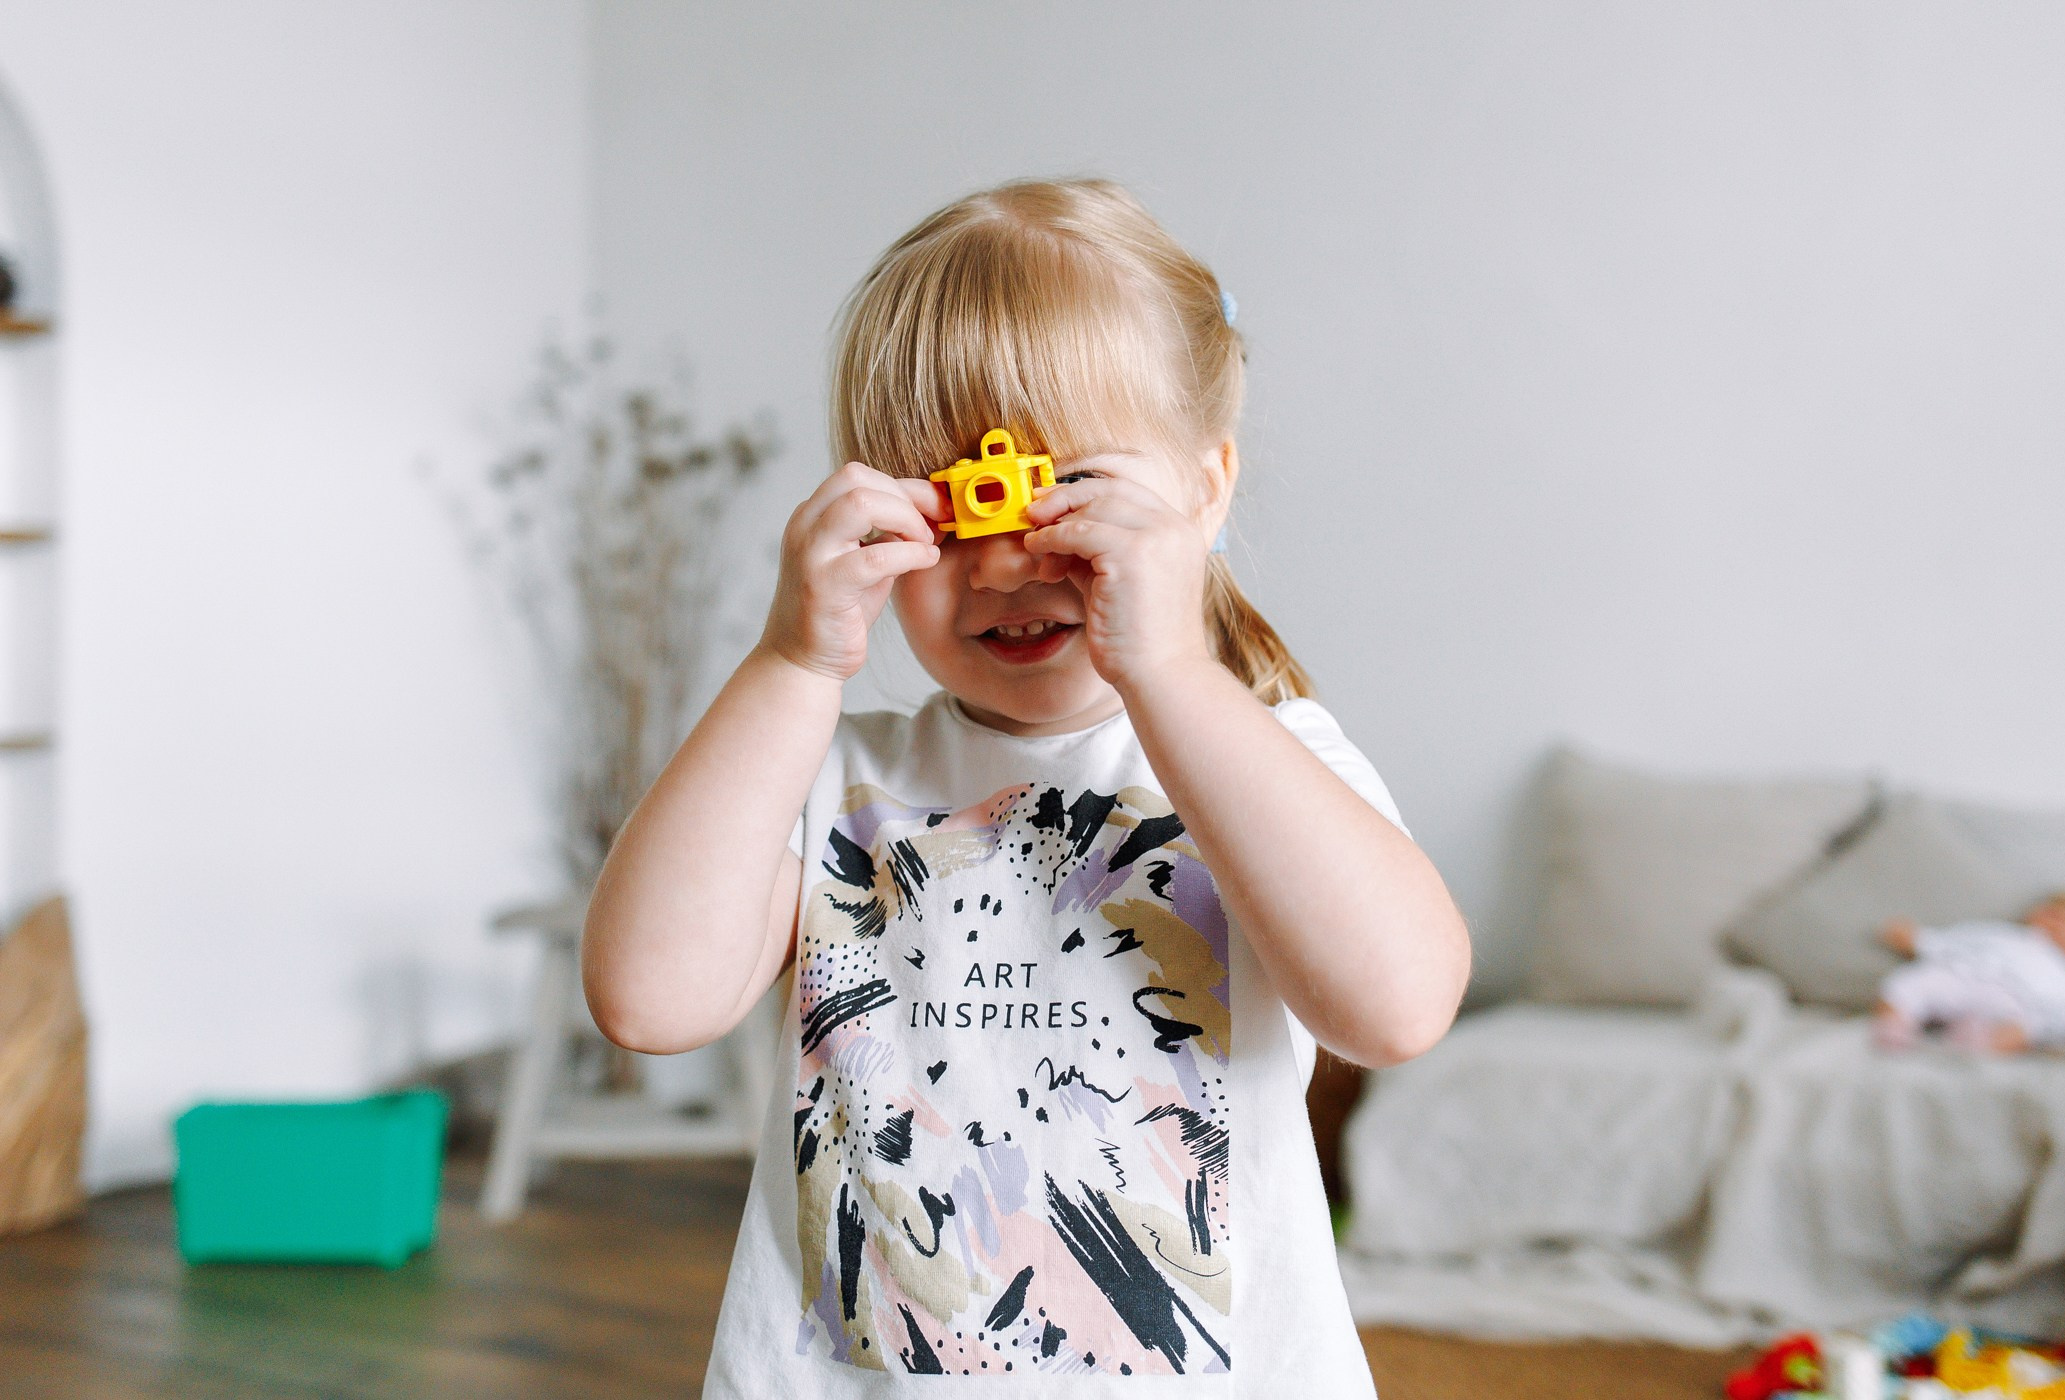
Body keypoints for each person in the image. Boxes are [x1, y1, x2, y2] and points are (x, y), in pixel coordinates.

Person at [583, 177, 1471, 1395]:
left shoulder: (1270, 755)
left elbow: (1399, 1007)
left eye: (1068, 494)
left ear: (1205, 492)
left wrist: (1165, 667)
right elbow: (646, 997)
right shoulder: (839, 771)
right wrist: (794, 659)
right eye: (948, 510)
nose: (1006, 561)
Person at [1874, 892, 2065, 1053]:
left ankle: (1976, 1044)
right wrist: (1918, 940)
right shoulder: (2008, 935)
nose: (2062, 923)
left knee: (2023, 1031)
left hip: (2017, 1006)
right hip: (1966, 977)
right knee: (1907, 984)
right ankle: (1896, 1025)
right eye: (2057, 913)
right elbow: (1960, 942)